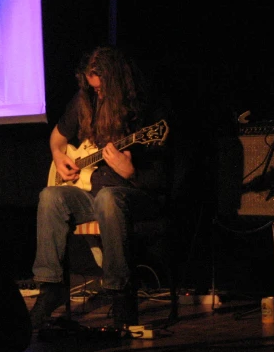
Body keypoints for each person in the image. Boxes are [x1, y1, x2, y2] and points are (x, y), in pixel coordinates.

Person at [30, 45, 172, 329]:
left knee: (108, 197)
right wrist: (59, 157)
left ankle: (120, 291)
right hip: (90, 194)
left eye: (102, 88)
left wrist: (130, 171)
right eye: (94, 88)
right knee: (50, 197)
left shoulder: (145, 112)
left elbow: (162, 180)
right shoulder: (86, 101)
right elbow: (57, 138)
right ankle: (51, 286)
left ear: (118, 81)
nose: (99, 94)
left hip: (135, 196)